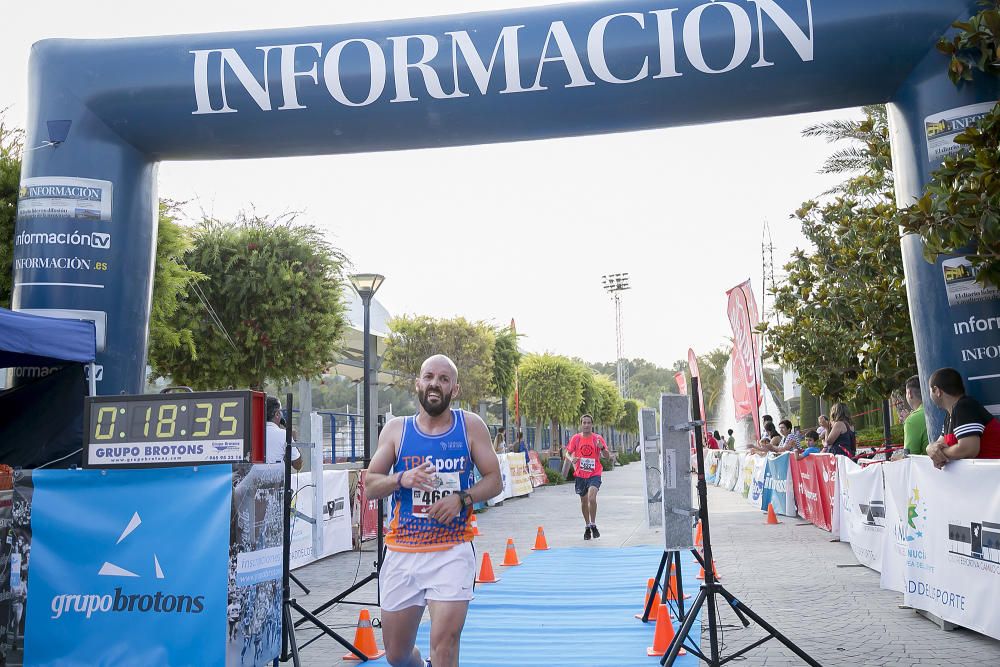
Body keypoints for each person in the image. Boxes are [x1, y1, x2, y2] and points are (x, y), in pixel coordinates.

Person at [364, 354, 502, 667]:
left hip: (451, 551)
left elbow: (495, 480)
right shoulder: (397, 430)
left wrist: (462, 499)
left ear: (455, 388)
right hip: (403, 552)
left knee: (445, 646)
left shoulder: (470, 426)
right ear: (418, 384)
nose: (434, 384)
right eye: (428, 377)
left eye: (443, 379)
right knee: (397, 655)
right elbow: (371, 485)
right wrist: (402, 478)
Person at [924, 367, 1000, 468]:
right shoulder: (950, 414)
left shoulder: (964, 407)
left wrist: (940, 454)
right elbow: (938, 445)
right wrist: (929, 448)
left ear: (937, 390)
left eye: (930, 390)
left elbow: (969, 449)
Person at [564, 414, 610, 540]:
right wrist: (571, 458)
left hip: (594, 473)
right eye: (584, 423)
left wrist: (602, 448)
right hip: (580, 474)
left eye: (588, 422)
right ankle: (587, 526)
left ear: (592, 424)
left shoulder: (597, 438)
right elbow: (567, 453)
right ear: (581, 424)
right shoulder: (576, 438)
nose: (586, 425)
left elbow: (607, 456)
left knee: (591, 498)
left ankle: (593, 524)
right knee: (584, 501)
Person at [264, 396, 302, 471]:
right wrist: (294, 440)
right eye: (280, 411)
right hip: (276, 480)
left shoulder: (252, 434)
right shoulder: (283, 435)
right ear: (277, 414)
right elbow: (298, 465)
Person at [902, 375, 929, 456]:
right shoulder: (941, 408)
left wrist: (909, 421)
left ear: (909, 393)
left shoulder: (912, 420)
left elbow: (909, 456)